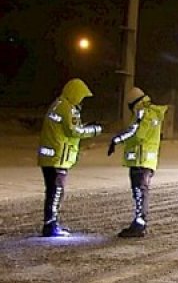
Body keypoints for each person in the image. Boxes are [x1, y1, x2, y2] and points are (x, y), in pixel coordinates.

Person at [37, 78, 103, 237]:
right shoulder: (68, 108)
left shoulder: (57, 104)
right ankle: (51, 226)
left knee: (52, 190)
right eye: (81, 97)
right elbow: (74, 131)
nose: (82, 101)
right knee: (56, 192)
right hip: (59, 158)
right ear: (75, 94)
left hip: (49, 156)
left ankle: (50, 223)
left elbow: (65, 128)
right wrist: (94, 130)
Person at [107, 87, 167, 238]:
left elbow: (137, 133)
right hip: (147, 160)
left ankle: (139, 225)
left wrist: (117, 140)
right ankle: (139, 223)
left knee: (140, 192)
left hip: (140, 159)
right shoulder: (152, 112)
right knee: (140, 192)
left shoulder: (143, 112)